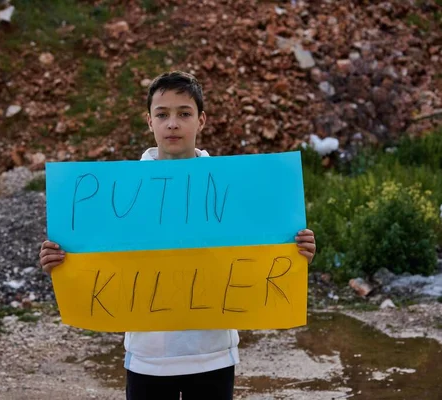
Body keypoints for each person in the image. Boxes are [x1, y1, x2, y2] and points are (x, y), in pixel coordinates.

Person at [39, 71, 317, 400]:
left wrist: (296, 250)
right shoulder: (121, 190)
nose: (173, 123)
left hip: (214, 356)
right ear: (149, 122)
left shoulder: (232, 187)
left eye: (184, 113)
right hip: (147, 360)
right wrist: (59, 261)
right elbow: (97, 255)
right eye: (163, 114)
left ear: (201, 120)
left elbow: (259, 250)